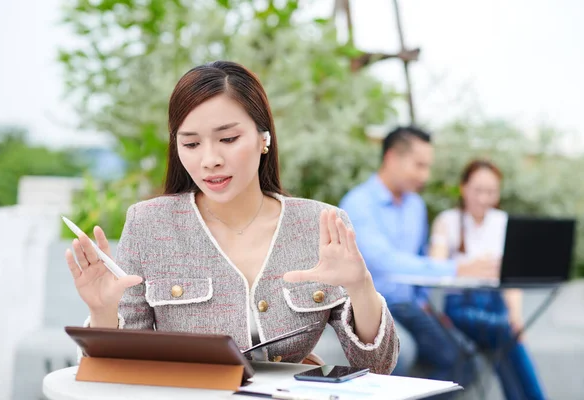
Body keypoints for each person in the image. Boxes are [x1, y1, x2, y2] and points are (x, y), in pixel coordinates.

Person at [64, 61, 399, 374]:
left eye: (228, 139)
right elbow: (117, 372)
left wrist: (360, 286)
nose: (210, 159)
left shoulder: (320, 223)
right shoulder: (149, 224)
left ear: (263, 138)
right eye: (191, 144)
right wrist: (102, 312)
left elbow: (379, 365)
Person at [339, 126, 497, 386]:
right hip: (370, 308)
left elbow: (421, 256)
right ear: (391, 158)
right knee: (403, 354)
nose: (425, 175)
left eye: (428, 166)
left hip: (410, 307)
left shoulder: (416, 206)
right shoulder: (357, 204)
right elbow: (384, 262)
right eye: (419, 165)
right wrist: (457, 268)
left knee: (464, 357)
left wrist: (426, 303)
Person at [429, 159, 546, 400]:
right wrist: (468, 268)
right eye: (478, 190)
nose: (484, 198)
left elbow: (511, 279)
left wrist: (516, 316)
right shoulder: (447, 221)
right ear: (463, 188)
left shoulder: (502, 222)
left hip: (495, 305)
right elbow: (434, 268)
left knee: (507, 333)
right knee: (504, 333)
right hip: (460, 307)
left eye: (491, 191)